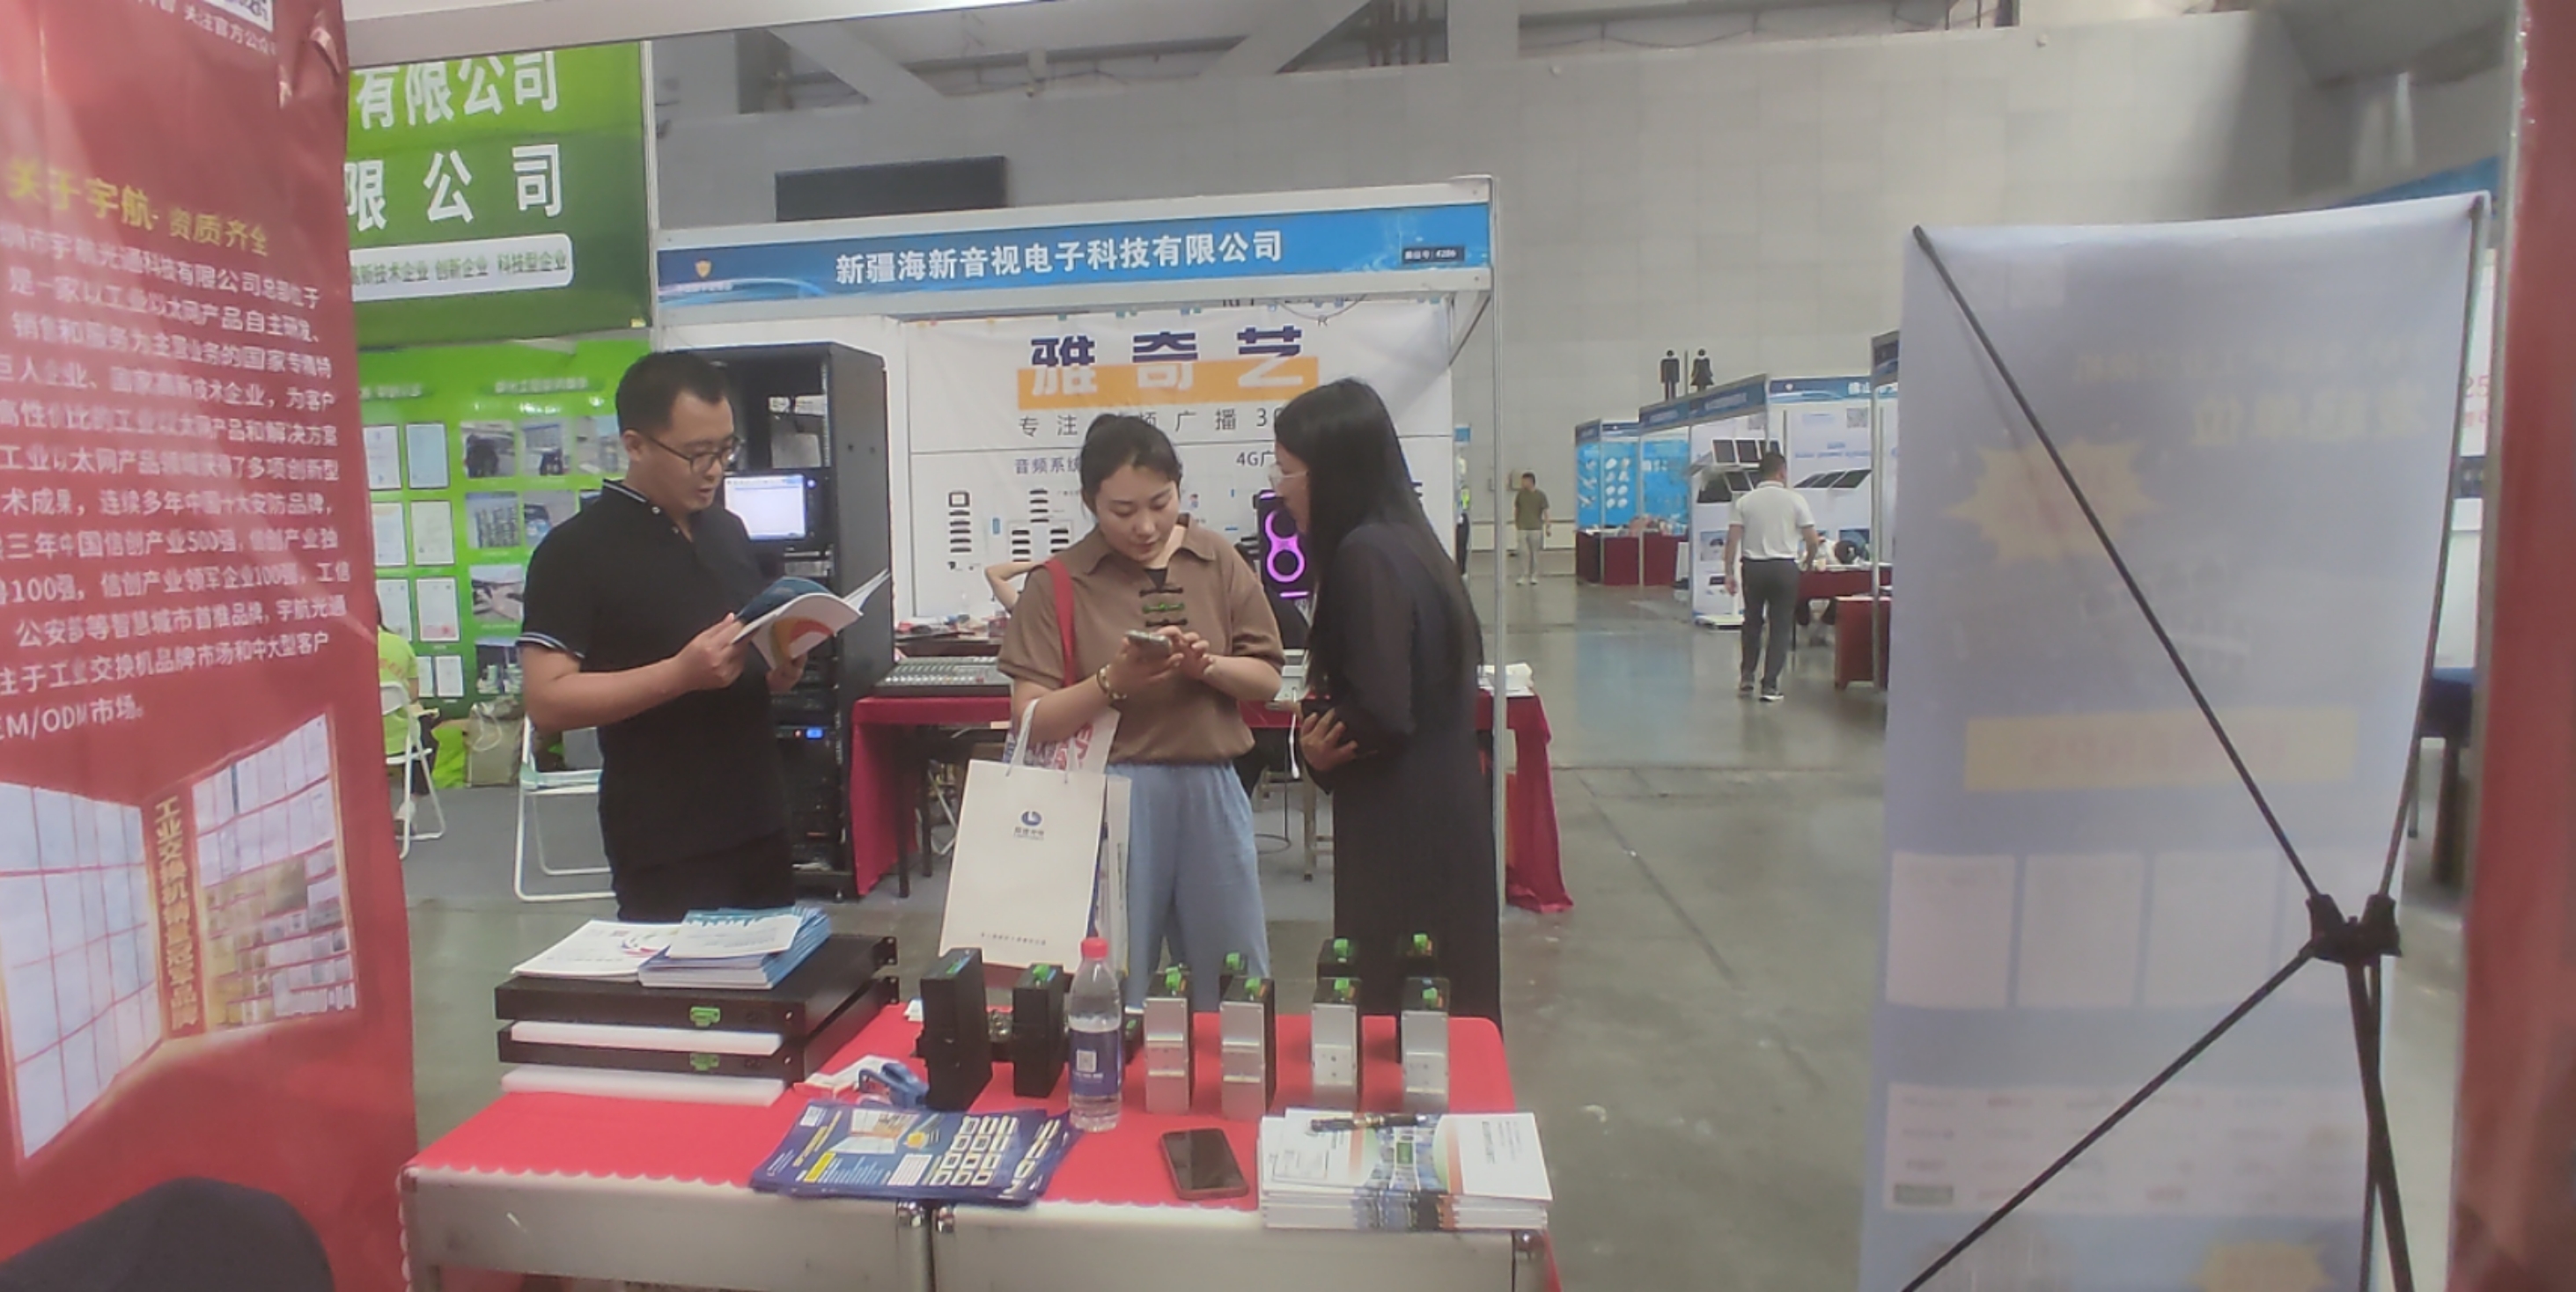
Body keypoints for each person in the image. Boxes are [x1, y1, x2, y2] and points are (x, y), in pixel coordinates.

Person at [1000, 416, 1285, 1009]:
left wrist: (1207, 668)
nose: (1146, 526)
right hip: (1109, 798)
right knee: (1111, 979)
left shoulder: (1218, 559)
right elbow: (1030, 719)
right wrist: (1112, 682)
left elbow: (1266, 679)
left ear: (1179, 487)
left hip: (1211, 790)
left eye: (1160, 503)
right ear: (1090, 502)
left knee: (1235, 978)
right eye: (1123, 511)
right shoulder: (1058, 582)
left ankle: (1229, 1068)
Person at [517, 351, 810, 921]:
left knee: (772, 969)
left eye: (725, 450)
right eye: (696, 454)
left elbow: (735, 654)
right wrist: (679, 675)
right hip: (665, 836)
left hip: (759, 819)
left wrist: (774, 669)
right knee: (682, 977)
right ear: (635, 444)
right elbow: (548, 700)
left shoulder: (727, 530)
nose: (714, 470)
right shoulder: (575, 551)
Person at [1275, 379, 1501, 1023]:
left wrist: (1316, 742)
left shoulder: (1364, 555)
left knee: (1398, 1009)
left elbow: (1381, 709)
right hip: (1444, 810)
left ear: (1331, 473)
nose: (1280, 491)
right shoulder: (1414, 543)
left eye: (1287, 472)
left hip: (1399, 826)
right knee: (1447, 1004)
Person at [1722, 448, 1822, 703]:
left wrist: (1728, 572)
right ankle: (1770, 686)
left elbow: (1732, 540)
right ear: (1782, 472)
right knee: (1780, 626)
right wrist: (1808, 562)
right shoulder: (1796, 500)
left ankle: (1747, 676)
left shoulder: (1745, 502)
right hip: (1784, 568)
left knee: (1752, 622)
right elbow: (1812, 540)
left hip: (1753, 568)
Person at [1512, 471, 1550, 586]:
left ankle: (1534, 575)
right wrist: (1516, 522)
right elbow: (1517, 509)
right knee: (1523, 552)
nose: (1522, 483)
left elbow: (1546, 511)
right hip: (1522, 527)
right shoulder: (1520, 495)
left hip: (1536, 527)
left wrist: (1548, 526)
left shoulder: (1540, 495)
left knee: (1535, 553)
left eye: (1524, 481)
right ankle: (1523, 575)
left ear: (1530, 481)